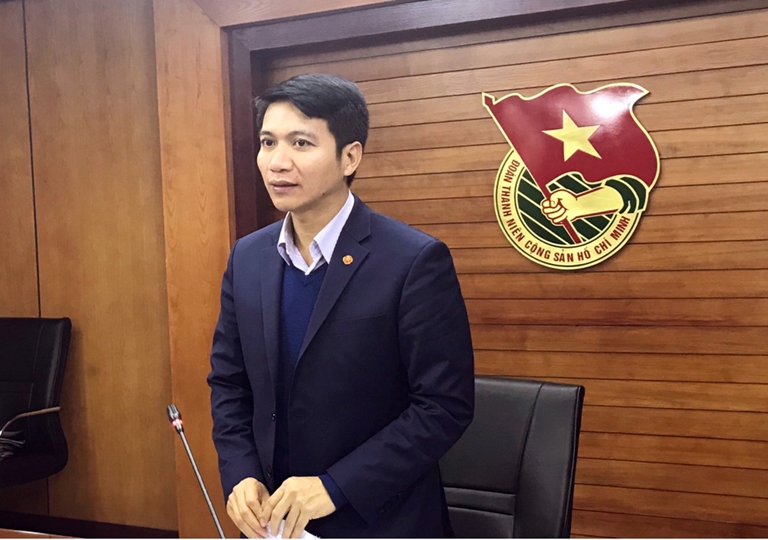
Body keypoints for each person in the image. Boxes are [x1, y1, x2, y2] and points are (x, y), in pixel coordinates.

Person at [207, 73, 474, 538]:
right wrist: (240, 472)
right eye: (268, 143)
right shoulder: (248, 257)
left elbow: (443, 406)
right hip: (276, 522)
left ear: (350, 156)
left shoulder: (413, 260)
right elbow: (229, 382)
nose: (277, 162)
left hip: (381, 521)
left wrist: (336, 486)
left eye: (301, 143)